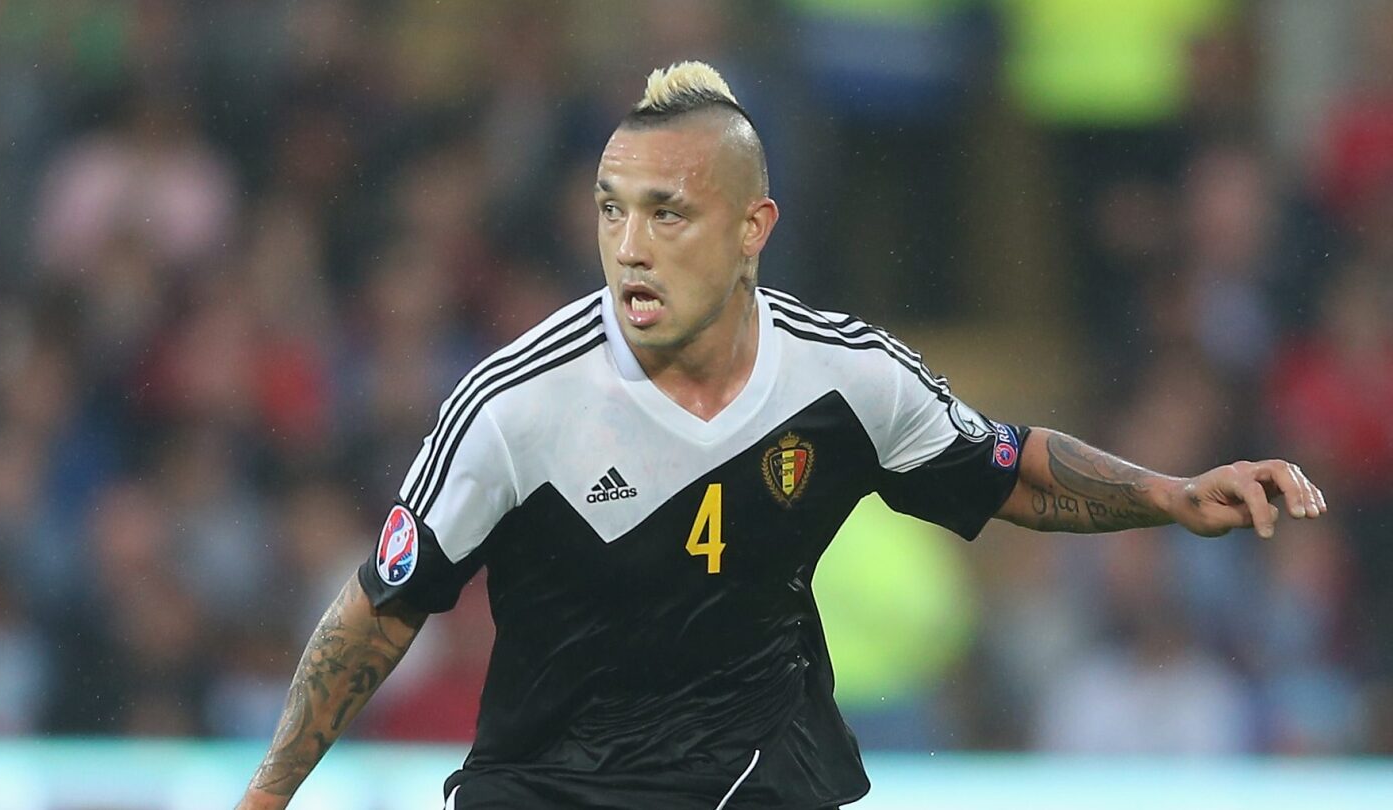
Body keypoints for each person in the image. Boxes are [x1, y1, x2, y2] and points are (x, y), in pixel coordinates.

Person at [236, 62, 1327, 810]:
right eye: (612, 209)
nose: (630, 246)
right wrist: (266, 796)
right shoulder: (515, 404)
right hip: (556, 790)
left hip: (758, 781)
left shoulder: (845, 376)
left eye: (668, 212)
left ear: (753, 227)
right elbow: (380, 610)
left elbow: (1005, 471)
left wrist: (1172, 495)